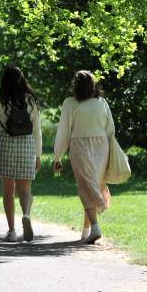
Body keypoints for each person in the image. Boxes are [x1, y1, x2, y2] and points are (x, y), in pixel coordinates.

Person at [53, 70, 115, 244]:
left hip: (79, 147)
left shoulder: (70, 103)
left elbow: (63, 131)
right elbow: (110, 129)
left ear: (76, 85)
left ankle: (94, 228)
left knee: (85, 186)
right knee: (92, 185)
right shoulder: (101, 103)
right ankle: (86, 231)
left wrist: (58, 156)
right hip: (102, 146)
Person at [0, 66, 42, 242]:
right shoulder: (30, 100)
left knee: (8, 191)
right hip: (26, 145)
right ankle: (26, 214)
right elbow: (37, 130)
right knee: (25, 189)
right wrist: (38, 155)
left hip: (4, 145)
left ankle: (12, 231)